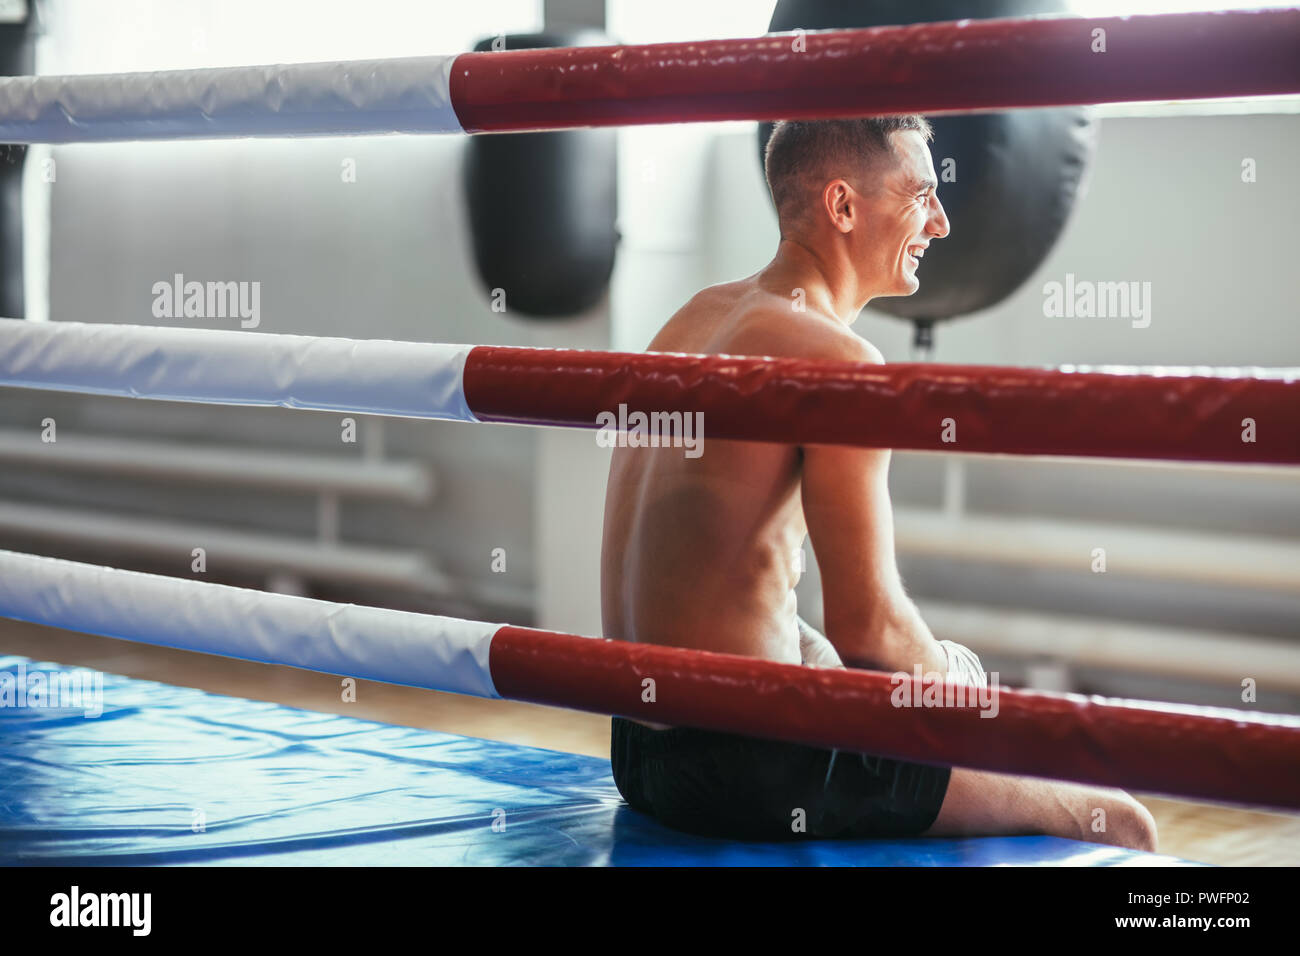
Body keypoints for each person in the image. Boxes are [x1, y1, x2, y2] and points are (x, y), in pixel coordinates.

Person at [599, 116, 1157, 851]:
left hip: (636, 751)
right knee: (1120, 821)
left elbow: (717, 586)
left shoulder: (689, 319)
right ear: (842, 206)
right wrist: (961, 680)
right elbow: (868, 629)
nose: (941, 221)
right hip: (753, 764)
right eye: (921, 194)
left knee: (837, 664)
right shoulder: (839, 360)